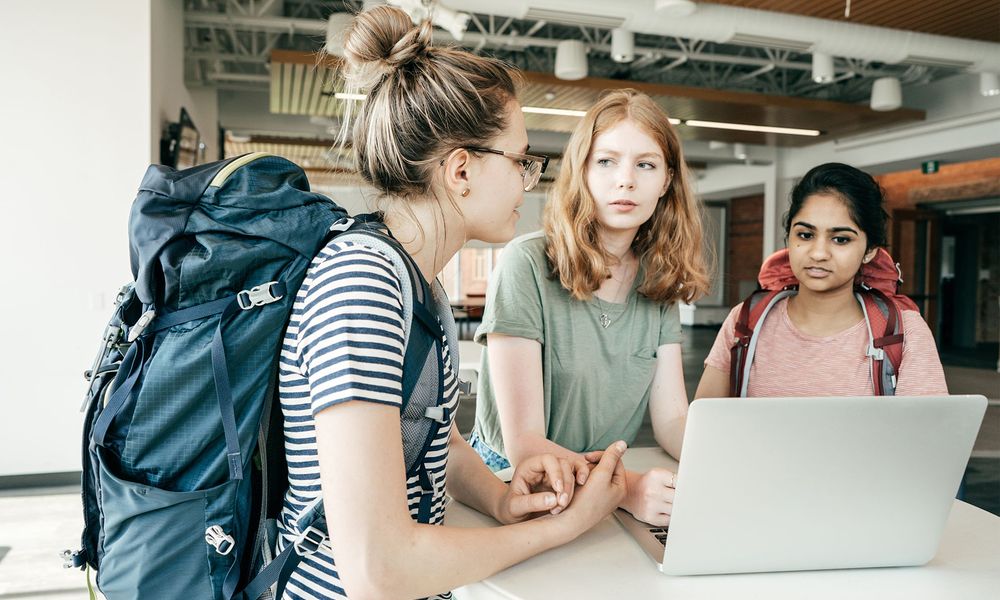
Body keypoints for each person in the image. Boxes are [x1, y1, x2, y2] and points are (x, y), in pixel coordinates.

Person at [276, 7, 628, 600]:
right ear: (461, 169)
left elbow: (431, 434)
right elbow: (377, 569)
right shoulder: (364, 283)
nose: (529, 180)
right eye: (521, 161)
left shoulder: (415, 278)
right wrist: (565, 526)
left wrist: (500, 496)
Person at [470, 89, 711, 527]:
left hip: (600, 490)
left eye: (646, 164)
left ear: (666, 180)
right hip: (509, 486)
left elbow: (673, 418)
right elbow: (526, 444)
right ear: (581, 170)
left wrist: (725, 464)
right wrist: (631, 488)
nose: (626, 180)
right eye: (606, 161)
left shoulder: (658, 282)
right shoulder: (525, 264)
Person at [695, 162, 948, 399]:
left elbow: (926, 437)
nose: (818, 253)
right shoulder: (746, 320)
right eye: (805, 235)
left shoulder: (904, 332)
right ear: (788, 239)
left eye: (841, 239)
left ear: (870, 250)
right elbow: (704, 427)